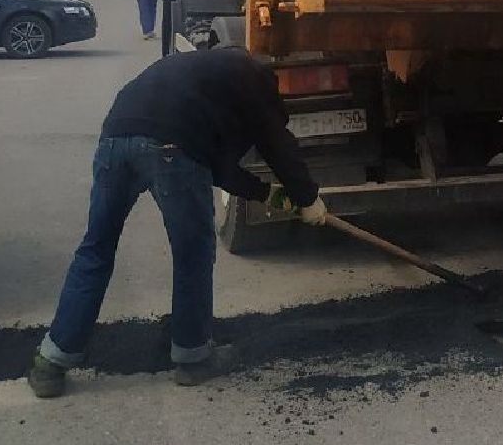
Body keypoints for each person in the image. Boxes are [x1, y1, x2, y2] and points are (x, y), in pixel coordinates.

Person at [28, 47, 328, 398]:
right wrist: (308, 197)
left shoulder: (202, 79)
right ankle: (193, 356)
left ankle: (52, 361)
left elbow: (214, 164)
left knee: (96, 247)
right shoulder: (255, 81)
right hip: (170, 149)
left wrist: (266, 193)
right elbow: (275, 141)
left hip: (115, 140)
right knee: (193, 254)